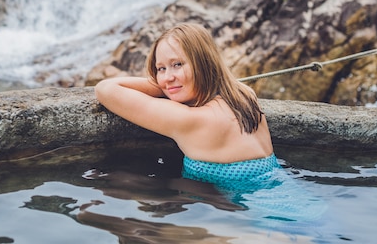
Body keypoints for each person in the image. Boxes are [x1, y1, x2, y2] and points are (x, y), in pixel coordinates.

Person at [95, 22, 279, 189]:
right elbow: (220, 79)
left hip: (249, 214)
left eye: (177, 64)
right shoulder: (245, 94)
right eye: (161, 69)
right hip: (283, 186)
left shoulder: (190, 119)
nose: (168, 77)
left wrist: (163, 87)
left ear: (203, 64)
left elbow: (106, 89)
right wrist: (174, 83)